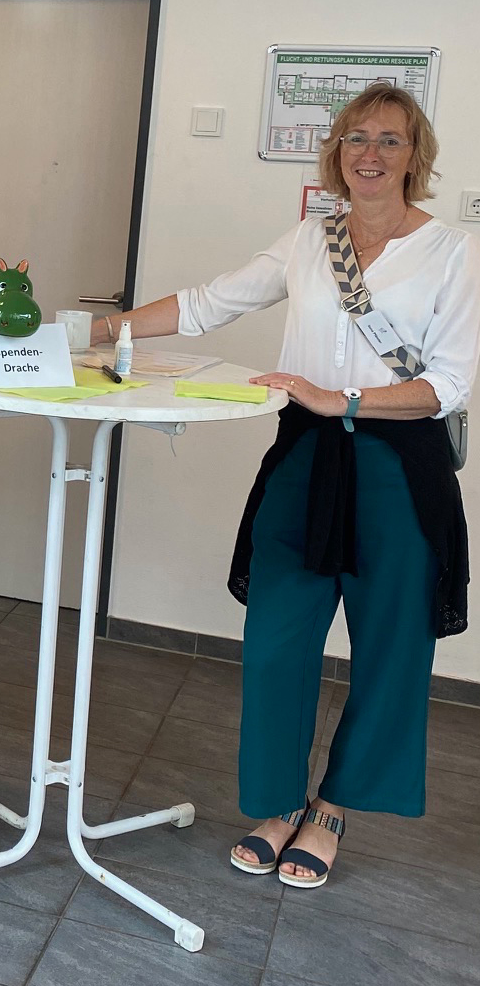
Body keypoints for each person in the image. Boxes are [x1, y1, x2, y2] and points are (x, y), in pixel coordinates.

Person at [89, 83, 477, 889]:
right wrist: (98, 328)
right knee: (274, 644)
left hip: (399, 471)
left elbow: (451, 384)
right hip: (304, 461)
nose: (368, 155)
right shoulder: (309, 239)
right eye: (355, 139)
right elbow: (205, 305)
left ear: (417, 157)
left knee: (388, 651)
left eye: (389, 141)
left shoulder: (451, 252)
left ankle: (332, 808)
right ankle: (278, 803)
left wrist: (349, 400)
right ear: (335, 150)